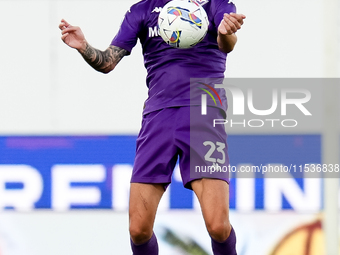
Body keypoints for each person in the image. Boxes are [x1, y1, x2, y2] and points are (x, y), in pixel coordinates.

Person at [59, 0, 245, 254]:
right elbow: (107, 62)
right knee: (138, 229)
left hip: (204, 116)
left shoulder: (217, 5)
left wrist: (225, 32)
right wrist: (83, 46)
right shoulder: (142, 10)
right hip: (158, 118)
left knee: (218, 227)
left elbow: (227, 43)